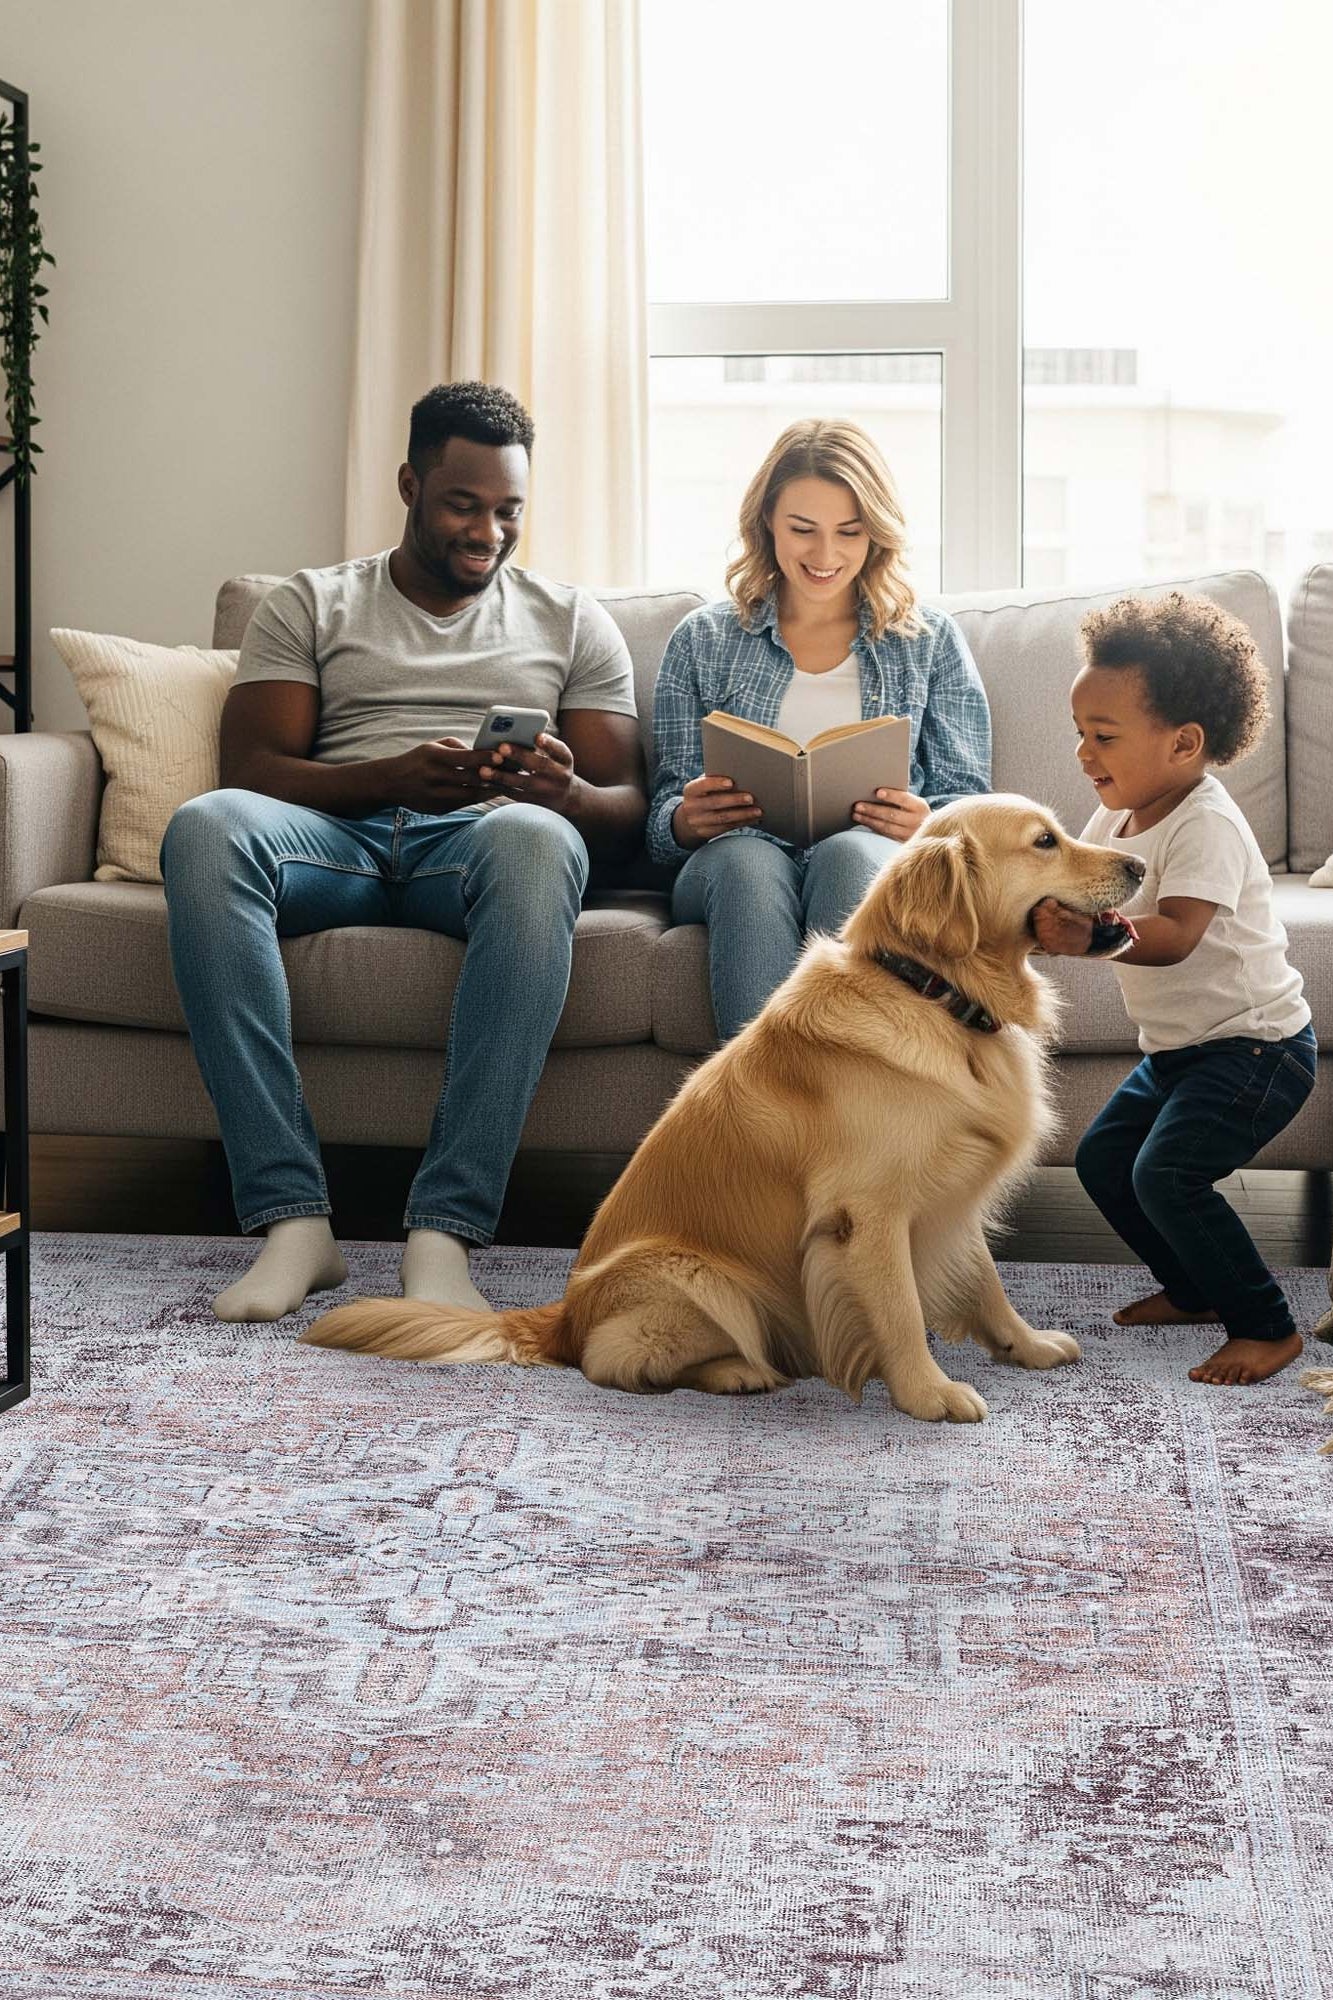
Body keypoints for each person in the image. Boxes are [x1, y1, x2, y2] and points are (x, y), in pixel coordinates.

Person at [160, 382, 645, 1324]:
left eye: (508, 511)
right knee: (206, 825)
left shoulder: (569, 619)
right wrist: (388, 777)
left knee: (538, 840)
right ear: (409, 485)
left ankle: (446, 1231)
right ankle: (293, 1221)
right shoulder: (308, 603)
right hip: (334, 838)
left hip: (478, 845)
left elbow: (627, 808)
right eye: (463, 504)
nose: (487, 532)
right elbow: (249, 767)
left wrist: (564, 792)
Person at [1032, 591, 1315, 1386]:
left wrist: (1087, 937)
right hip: (1181, 1052)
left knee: (1166, 1173)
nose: (1085, 754)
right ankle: (1192, 1290)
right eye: (1080, 734)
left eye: (1104, 736)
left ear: (1183, 743)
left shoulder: (1205, 823)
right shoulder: (1108, 823)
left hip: (1256, 1049)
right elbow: (1071, 891)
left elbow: (1176, 932)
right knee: (1103, 1161)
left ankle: (1265, 1324)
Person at [647, 418, 991, 1042]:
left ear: (876, 535)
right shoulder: (702, 639)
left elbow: (968, 805)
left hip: (867, 854)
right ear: (766, 525)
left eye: (849, 533)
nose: (825, 556)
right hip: (731, 863)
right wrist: (683, 820)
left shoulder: (930, 642)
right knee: (749, 865)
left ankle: (843, 1115)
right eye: (802, 530)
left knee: (850, 855)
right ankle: (758, 1116)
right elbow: (663, 817)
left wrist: (926, 827)